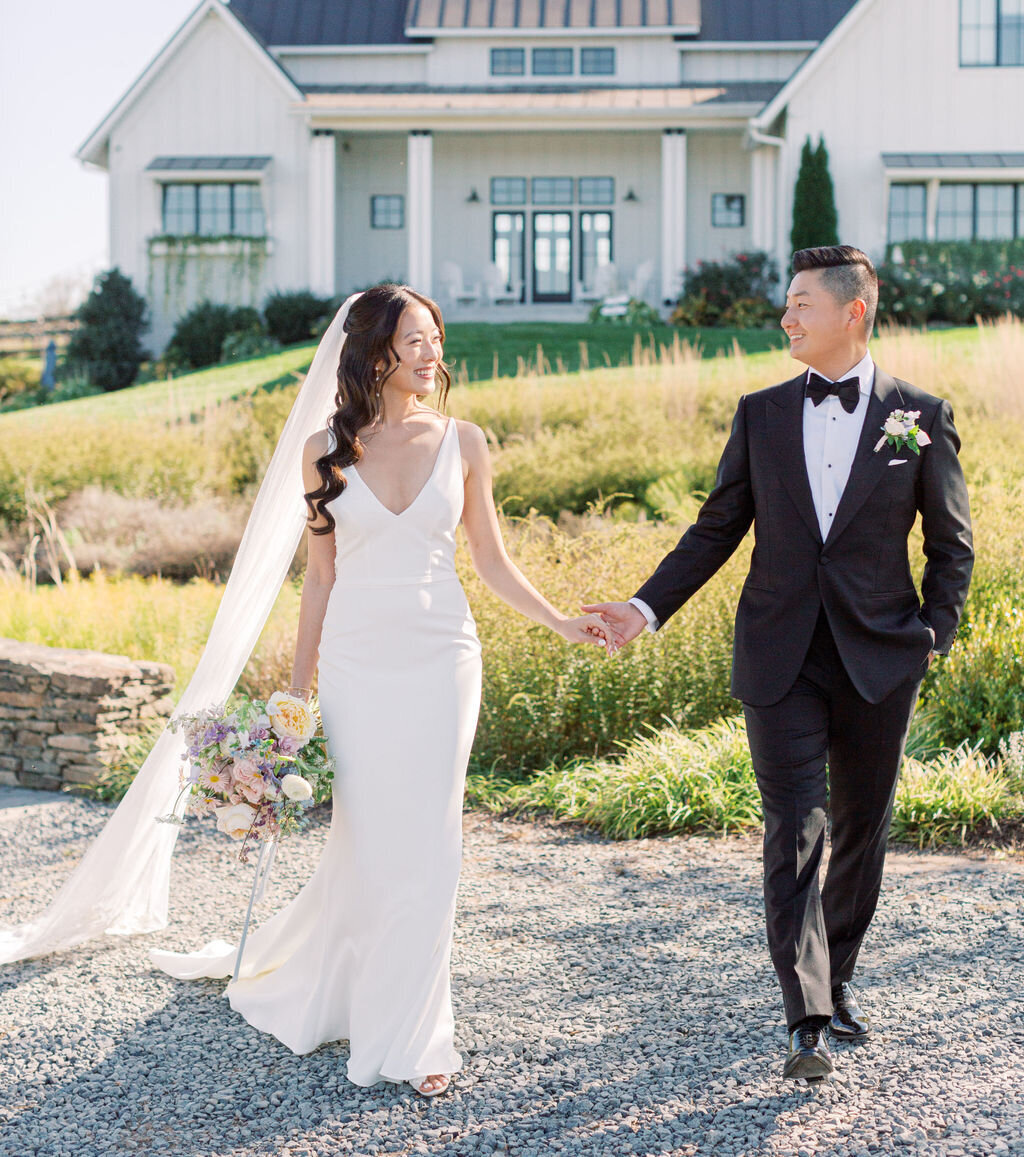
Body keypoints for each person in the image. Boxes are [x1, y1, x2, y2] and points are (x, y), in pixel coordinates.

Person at [150, 283, 610, 1096]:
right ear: (374, 354)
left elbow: (492, 562)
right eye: (415, 341)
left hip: (443, 658)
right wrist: (296, 696)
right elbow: (319, 580)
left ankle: (417, 1035)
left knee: (431, 839)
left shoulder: (465, 440)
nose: (432, 354)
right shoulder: (324, 448)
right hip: (359, 663)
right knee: (368, 834)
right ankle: (345, 981)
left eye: (436, 338)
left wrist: (561, 622)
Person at [584, 246, 973, 1082]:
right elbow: (715, 528)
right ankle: (807, 1017)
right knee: (795, 824)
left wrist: (933, 634)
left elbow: (952, 544)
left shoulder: (921, 414)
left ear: (852, 312)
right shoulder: (759, 413)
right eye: (786, 303)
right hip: (779, 652)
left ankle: (836, 977)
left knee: (862, 825)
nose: (786, 317)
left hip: (880, 656)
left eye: (801, 303)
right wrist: (644, 608)